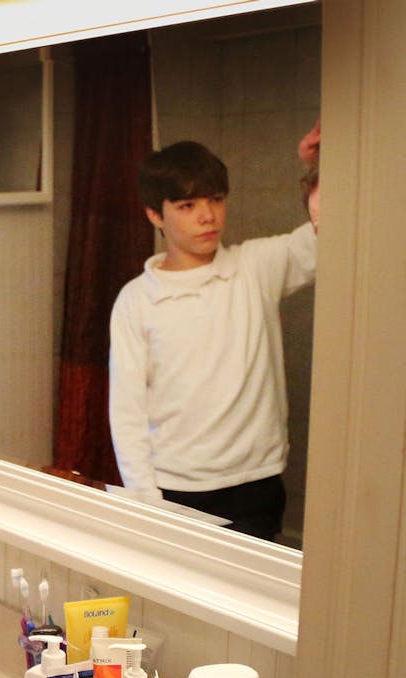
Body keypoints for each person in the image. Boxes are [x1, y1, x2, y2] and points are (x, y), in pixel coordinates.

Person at [108, 136, 319, 542]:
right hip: (175, 488)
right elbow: (127, 411)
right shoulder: (137, 301)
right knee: (176, 600)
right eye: (187, 206)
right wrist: (145, 502)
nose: (207, 216)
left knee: (246, 599)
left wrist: (317, 168)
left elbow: (330, 230)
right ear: (155, 214)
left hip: (256, 483)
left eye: (215, 200)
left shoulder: (256, 267)